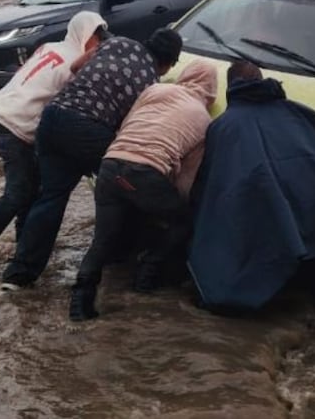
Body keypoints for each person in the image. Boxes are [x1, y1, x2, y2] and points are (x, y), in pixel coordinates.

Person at [187, 61, 315, 319]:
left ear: (230, 87)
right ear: (262, 80)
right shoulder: (302, 113)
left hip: (276, 228)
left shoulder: (223, 126)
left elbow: (213, 193)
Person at [0, 28, 184, 289]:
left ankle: (18, 276)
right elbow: (131, 129)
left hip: (52, 117)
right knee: (123, 180)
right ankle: (119, 257)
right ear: (168, 63)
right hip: (87, 128)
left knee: (50, 198)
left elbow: (75, 66)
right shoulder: (150, 82)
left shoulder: (118, 41)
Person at [0, 11, 108, 266]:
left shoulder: (50, 47)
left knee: (30, 187)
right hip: (16, 124)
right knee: (18, 193)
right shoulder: (75, 64)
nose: (98, 45)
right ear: (84, 35)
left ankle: (23, 246)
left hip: (0, 112)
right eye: (96, 39)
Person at [69, 61, 218, 321]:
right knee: (183, 221)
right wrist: (172, 202)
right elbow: (186, 179)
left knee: (102, 240)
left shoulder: (154, 90)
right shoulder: (203, 119)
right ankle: (146, 274)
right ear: (211, 89)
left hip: (110, 165)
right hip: (144, 173)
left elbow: (126, 123)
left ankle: (81, 300)